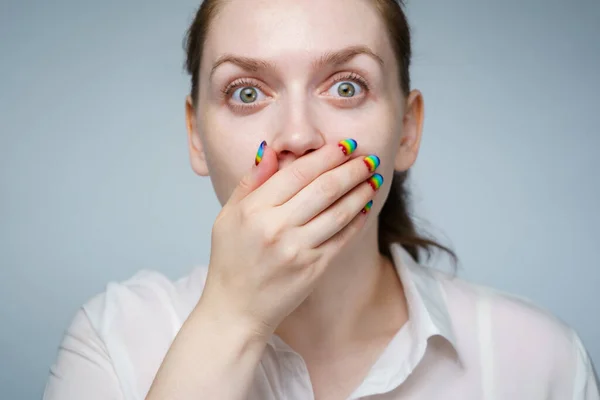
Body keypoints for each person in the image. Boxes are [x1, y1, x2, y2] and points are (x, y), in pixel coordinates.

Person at [44, 0, 599, 399]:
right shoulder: (114, 340)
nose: (298, 135)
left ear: (407, 129)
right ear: (196, 135)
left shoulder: (540, 359)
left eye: (346, 85)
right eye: (246, 92)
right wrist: (230, 320)